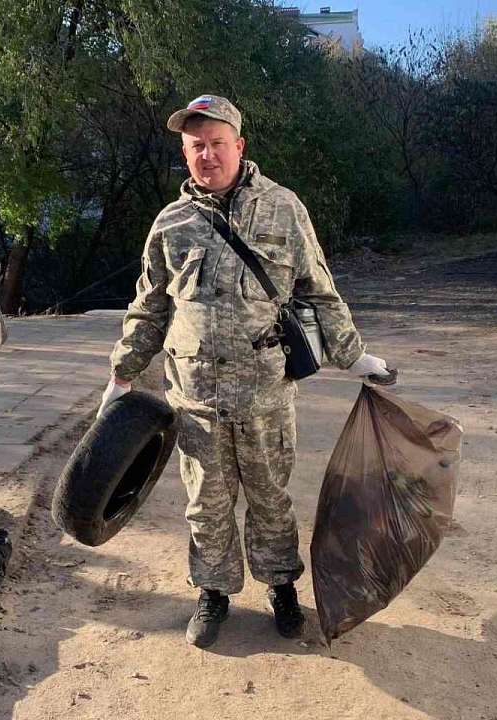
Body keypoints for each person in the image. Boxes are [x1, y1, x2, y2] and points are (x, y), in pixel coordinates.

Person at [96, 95, 394, 649]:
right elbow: (150, 306)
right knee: (205, 502)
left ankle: (282, 588)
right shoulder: (171, 223)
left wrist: (353, 355)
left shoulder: (283, 207)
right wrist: (123, 374)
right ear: (185, 153)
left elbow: (319, 288)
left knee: (269, 497)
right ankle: (212, 593)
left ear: (239, 145)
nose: (206, 155)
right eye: (195, 147)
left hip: (264, 390)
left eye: (215, 144)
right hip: (195, 395)